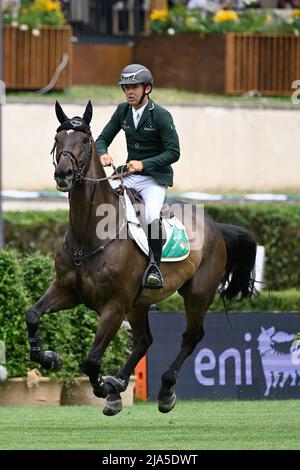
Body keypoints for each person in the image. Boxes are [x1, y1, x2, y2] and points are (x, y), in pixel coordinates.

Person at [95, 64, 180, 289]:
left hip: (154, 178)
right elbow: (102, 139)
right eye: (126, 88)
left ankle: (155, 266)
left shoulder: (161, 115)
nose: (129, 92)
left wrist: (144, 163)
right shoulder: (123, 110)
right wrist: (103, 154)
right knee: (100, 196)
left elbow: (174, 152)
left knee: (152, 215)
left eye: (134, 87)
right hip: (129, 174)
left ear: (147, 89)